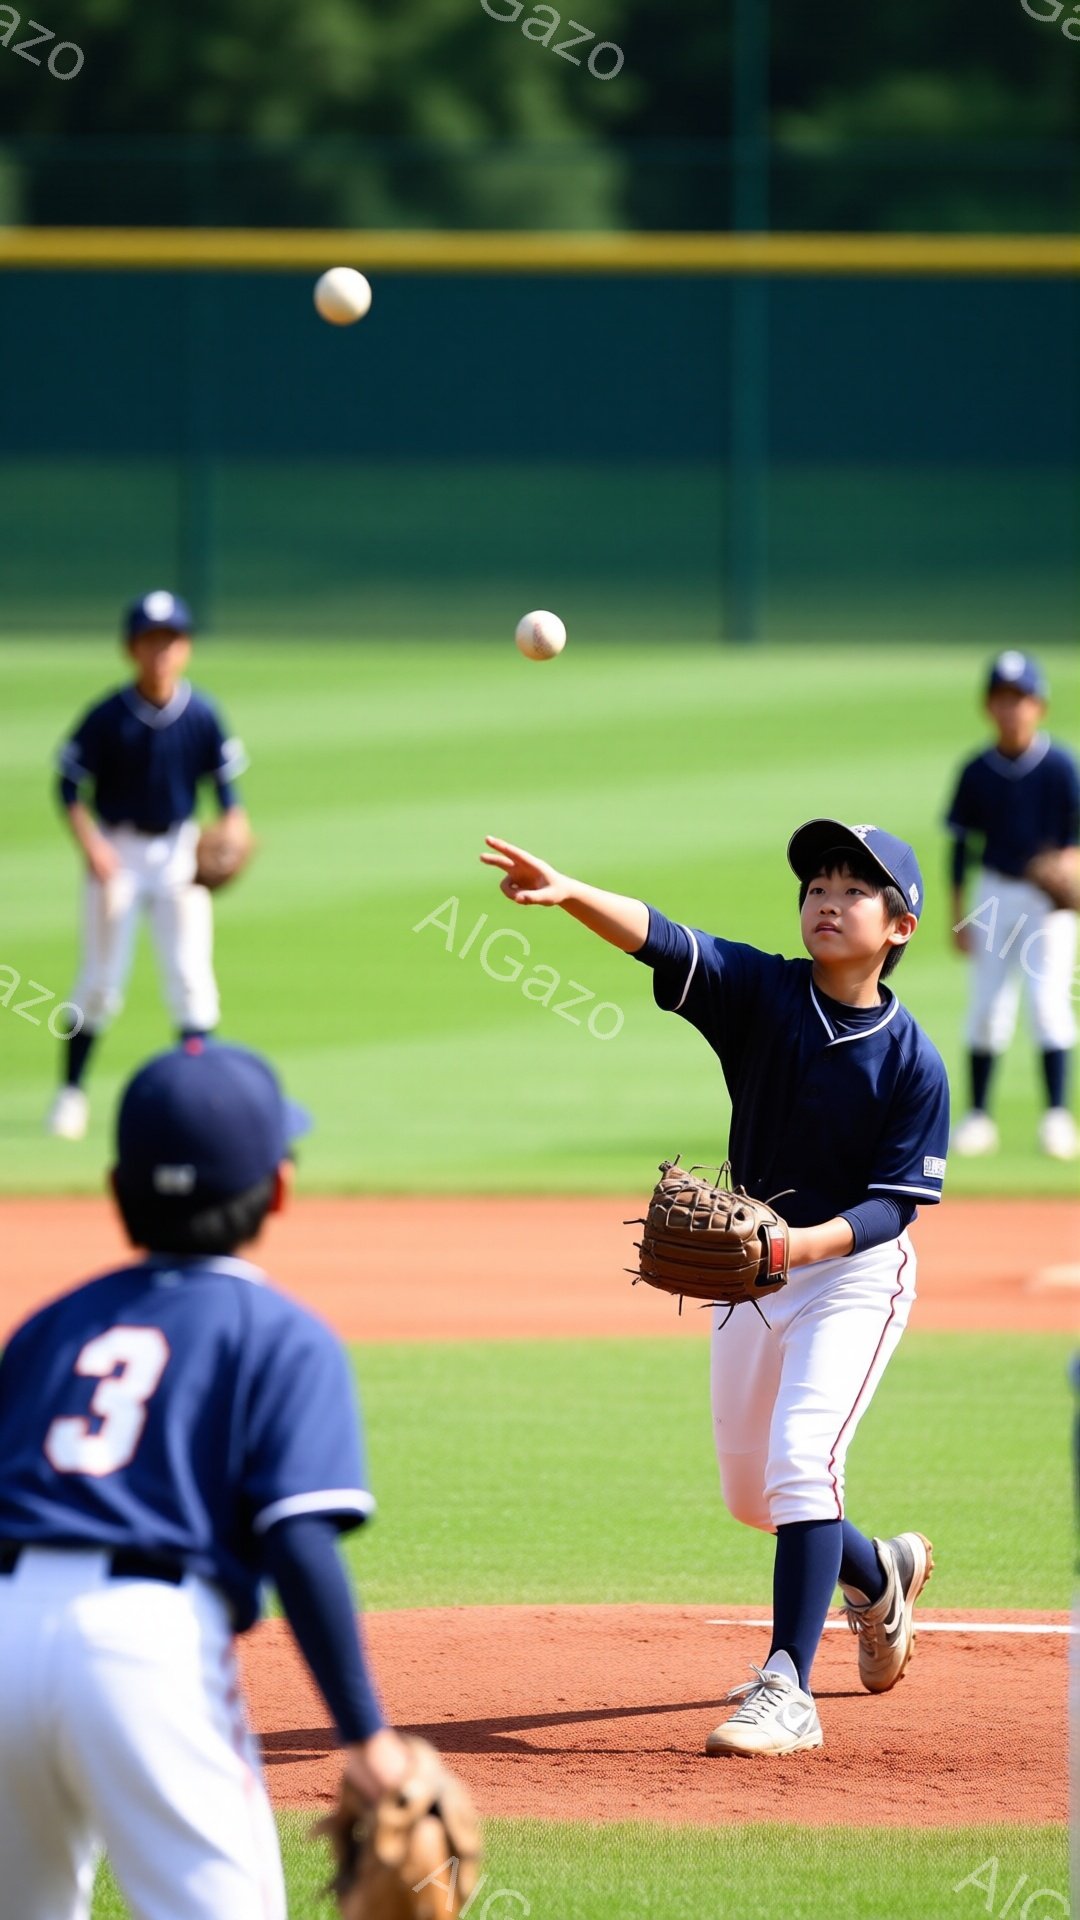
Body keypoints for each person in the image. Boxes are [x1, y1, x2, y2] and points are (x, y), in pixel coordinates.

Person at [481, 818, 949, 1757]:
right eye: (817, 883)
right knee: (756, 1497)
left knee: (802, 1455)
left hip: (852, 1277)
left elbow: (892, 1209)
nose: (827, 897)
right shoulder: (764, 992)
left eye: (854, 888)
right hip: (755, 1271)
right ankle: (878, 1576)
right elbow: (661, 934)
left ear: (898, 926)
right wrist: (571, 891)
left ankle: (788, 1684)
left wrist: (797, 1247)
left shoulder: (913, 1061)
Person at [0, 1040, 409, 1919]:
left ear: (116, 1192)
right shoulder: (279, 1333)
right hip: (143, 1649)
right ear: (281, 1188)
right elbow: (297, 1539)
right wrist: (364, 1734)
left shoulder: (45, 1328)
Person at [46, 590, 251, 1142]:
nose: (160, 651)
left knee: (191, 979)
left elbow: (225, 787)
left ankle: (200, 1099)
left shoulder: (201, 712)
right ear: (130, 649)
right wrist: (91, 844)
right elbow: (66, 784)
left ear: (184, 648)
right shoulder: (109, 716)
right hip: (118, 854)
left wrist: (235, 823)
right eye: (149, 641)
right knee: (99, 984)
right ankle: (70, 1094)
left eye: (170, 640)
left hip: (179, 853)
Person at [946, 649, 1080, 1161]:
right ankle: (978, 1118)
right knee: (986, 1008)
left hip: (1049, 904)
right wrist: (958, 915)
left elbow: (1073, 836)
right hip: (992, 894)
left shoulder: (1061, 766)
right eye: (1002, 699)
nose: (1011, 709)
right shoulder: (977, 771)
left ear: (1039, 706)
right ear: (988, 707)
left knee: (1049, 1006)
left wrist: (1068, 868)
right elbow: (961, 848)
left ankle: (1057, 1118)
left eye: (1020, 699)